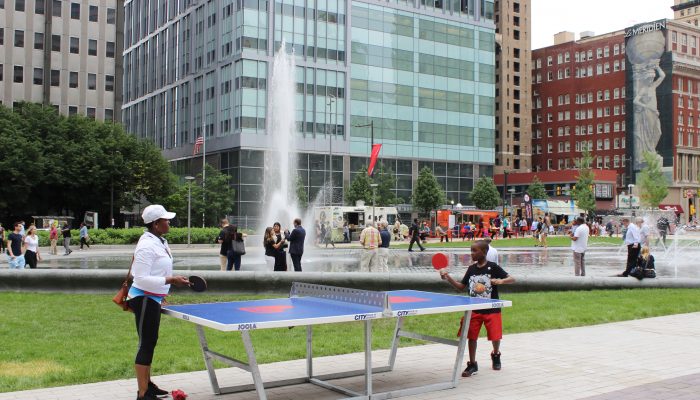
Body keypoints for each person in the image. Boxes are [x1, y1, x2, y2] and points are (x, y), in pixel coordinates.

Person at [127, 205, 189, 400]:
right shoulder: (147, 245)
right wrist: (171, 281)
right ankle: (143, 393)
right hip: (144, 298)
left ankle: (148, 385)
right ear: (156, 224)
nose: (168, 222)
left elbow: (157, 272)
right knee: (146, 343)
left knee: (150, 342)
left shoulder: (159, 241)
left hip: (152, 297)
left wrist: (162, 292)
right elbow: (141, 278)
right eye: (165, 220)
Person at [439, 241, 515, 377]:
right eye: (471, 250)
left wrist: (501, 281)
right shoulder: (471, 269)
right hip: (474, 309)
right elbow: (461, 287)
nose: (472, 253)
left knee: (495, 336)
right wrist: (448, 278)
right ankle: (472, 364)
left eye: (475, 251)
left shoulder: (493, 267)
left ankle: (496, 354)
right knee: (471, 336)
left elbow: (512, 278)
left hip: (492, 309)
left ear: (484, 252)